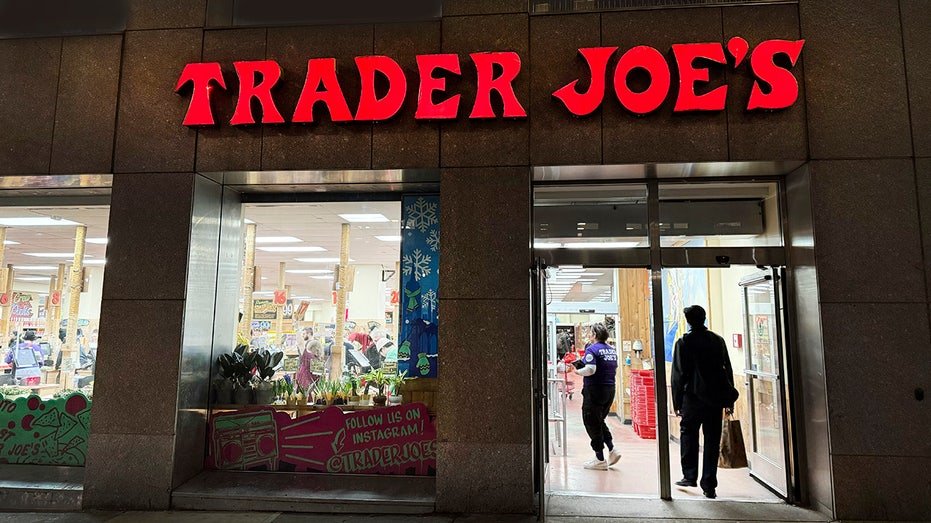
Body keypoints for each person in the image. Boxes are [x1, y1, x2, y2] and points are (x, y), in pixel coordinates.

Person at [671, 305, 738, 499]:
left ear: (688, 321)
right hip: (715, 399)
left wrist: (677, 402)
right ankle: (709, 484)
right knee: (712, 440)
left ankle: (689, 475)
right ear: (704, 318)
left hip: (692, 398)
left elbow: (678, 375)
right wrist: (728, 399)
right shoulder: (718, 341)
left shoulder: (684, 342)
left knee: (688, 435)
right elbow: (727, 370)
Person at [571, 322, 621, 471]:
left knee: (591, 421)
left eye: (590, 333)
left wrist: (578, 372)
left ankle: (599, 458)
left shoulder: (592, 349)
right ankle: (612, 449)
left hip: (594, 390)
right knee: (599, 420)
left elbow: (591, 369)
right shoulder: (611, 350)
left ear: (594, 335)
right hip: (609, 389)